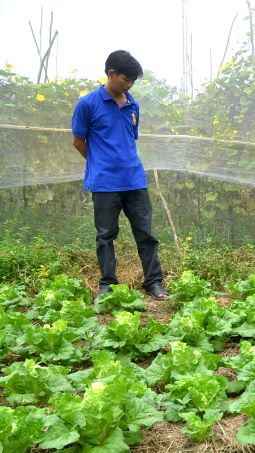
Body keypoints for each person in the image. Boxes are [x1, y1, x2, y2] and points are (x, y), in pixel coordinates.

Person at [71, 50, 169, 300]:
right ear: (111, 73)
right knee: (105, 236)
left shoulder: (133, 104)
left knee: (146, 233)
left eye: (133, 81)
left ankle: (153, 282)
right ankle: (107, 285)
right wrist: (99, 164)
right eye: (126, 79)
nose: (129, 85)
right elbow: (78, 140)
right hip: (105, 183)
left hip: (135, 180)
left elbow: (127, 141)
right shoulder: (88, 104)